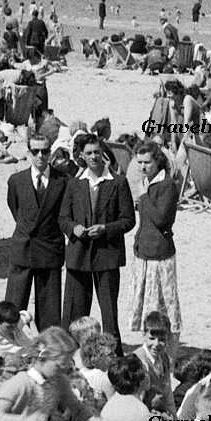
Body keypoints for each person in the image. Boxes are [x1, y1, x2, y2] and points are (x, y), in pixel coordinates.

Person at [59, 132, 136, 348]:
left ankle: (112, 354)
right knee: (75, 310)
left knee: (109, 311)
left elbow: (129, 220)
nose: (93, 157)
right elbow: (63, 218)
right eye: (89, 153)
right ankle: (72, 352)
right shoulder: (74, 184)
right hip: (79, 254)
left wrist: (105, 229)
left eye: (96, 152)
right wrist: (73, 228)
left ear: (103, 153)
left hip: (107, 254)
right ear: (82, 156)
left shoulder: (118, 183)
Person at [5, 134, 68, 331]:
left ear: (51, 152)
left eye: (45, 151)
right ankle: (10, 343)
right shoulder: (17, 181)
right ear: (28, 152)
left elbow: (64, 214)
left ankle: (47, 345)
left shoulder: (63, 181)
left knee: (49, 311)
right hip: (23, 247)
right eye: (35, 151)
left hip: (49, 248)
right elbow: (16, 210)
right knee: (13, 308)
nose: (40, 155)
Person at [128, 143, 182, 344]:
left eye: (147, 162)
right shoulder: (147, 182)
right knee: (148, 306)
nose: (143, 167)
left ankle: (171, 350)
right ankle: (151, 345)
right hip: (144, 252)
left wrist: (143, 196)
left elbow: (160, 219)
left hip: (160, 255)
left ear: (157, 161)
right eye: (140, 162)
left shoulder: (167, 185)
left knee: (166, 305)